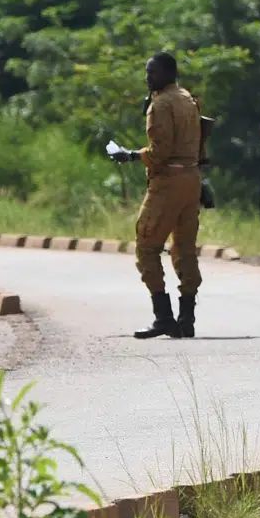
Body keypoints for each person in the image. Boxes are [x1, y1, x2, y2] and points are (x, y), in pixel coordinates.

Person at [110, 52, 205, 339]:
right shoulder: (187, 98)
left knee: (147, 246)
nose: (148, 77)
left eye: (153, 72)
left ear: (168, 73)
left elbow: (160, 151)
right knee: (185, 248)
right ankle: (186, 318)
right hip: (191, 178)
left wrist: (131, 155)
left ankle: (163, 317)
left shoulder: (161, 104)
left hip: (168, 183)